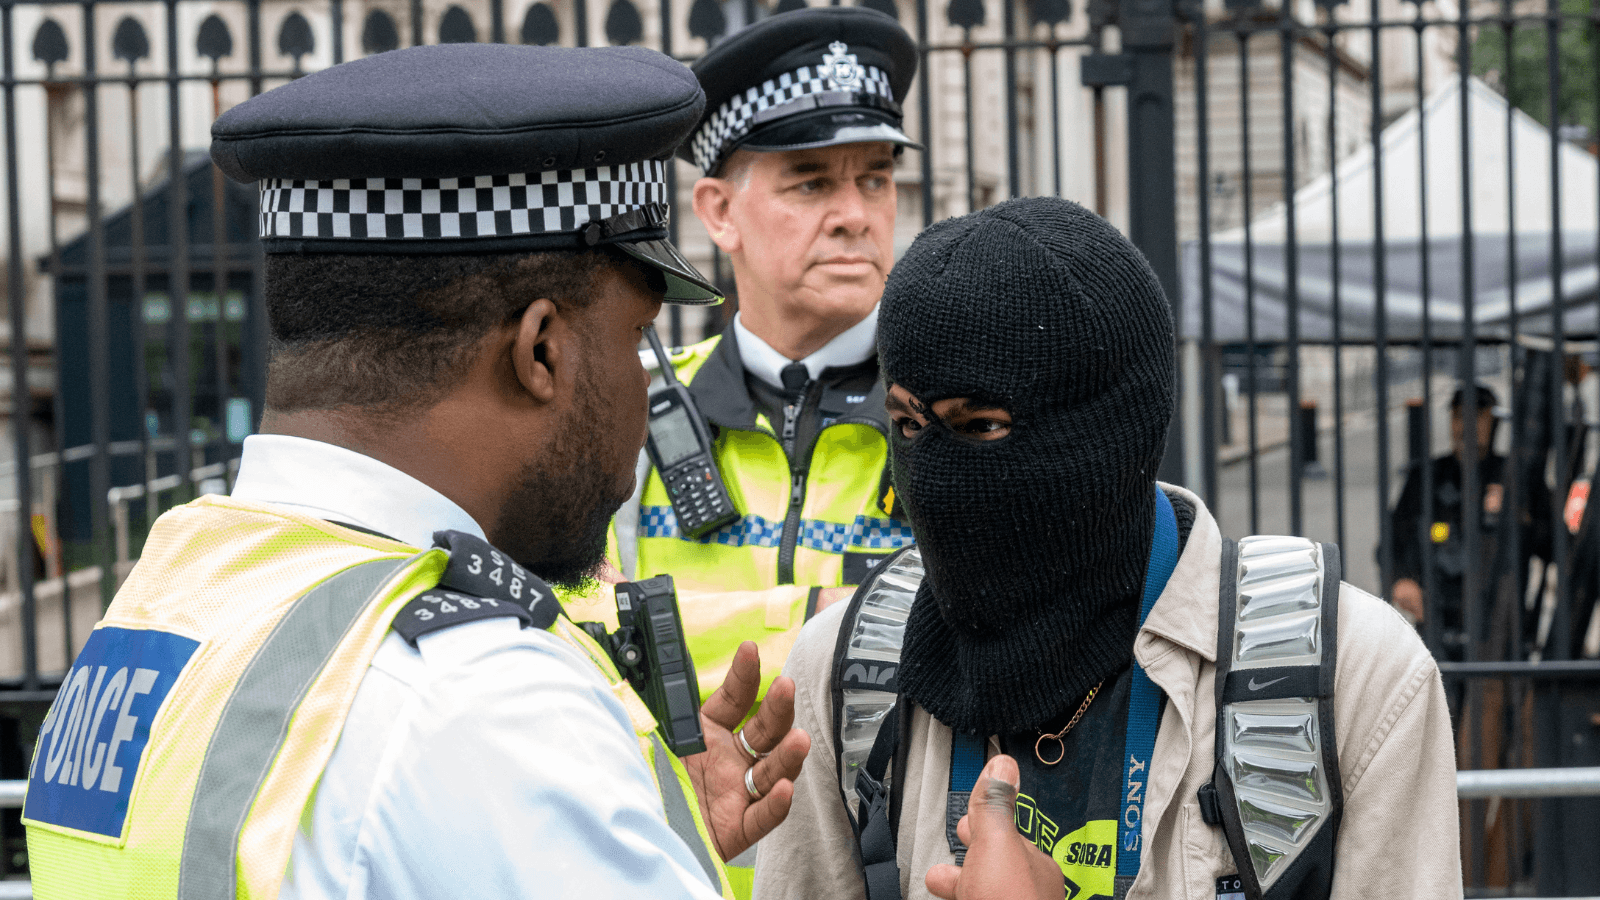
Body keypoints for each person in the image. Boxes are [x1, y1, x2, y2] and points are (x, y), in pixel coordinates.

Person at [21, 43, 807, 899]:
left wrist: (642, 820)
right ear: (540, 347)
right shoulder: (484, 702)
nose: (644, 384)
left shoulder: (168, 602)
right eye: (634, 338)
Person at [754, 197, 1462, 900]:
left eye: (982, 427)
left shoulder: (1353, 678)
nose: (936, 479)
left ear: (1110, 434)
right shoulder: (846, 674)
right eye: (909, 425)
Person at [595, 6, 921, 712]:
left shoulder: (950, 408)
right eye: (810, 183)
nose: (854, 215)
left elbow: (980, 630)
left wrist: (686, 627)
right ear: (717, 212)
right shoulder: (628, 403)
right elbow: (584, 630)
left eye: (874, 178)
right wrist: (830, 617)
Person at [1389, 382, 1553, 662]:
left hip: (1501, 620)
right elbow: (1392, 539)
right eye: (1457, 416)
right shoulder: (1426, 477)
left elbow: (1553, 545)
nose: (1465, 425)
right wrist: (1401, 579)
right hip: (1437, 618)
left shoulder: (1516, 478)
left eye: (1476, 416)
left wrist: (1517, 515)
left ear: (1494, 422)